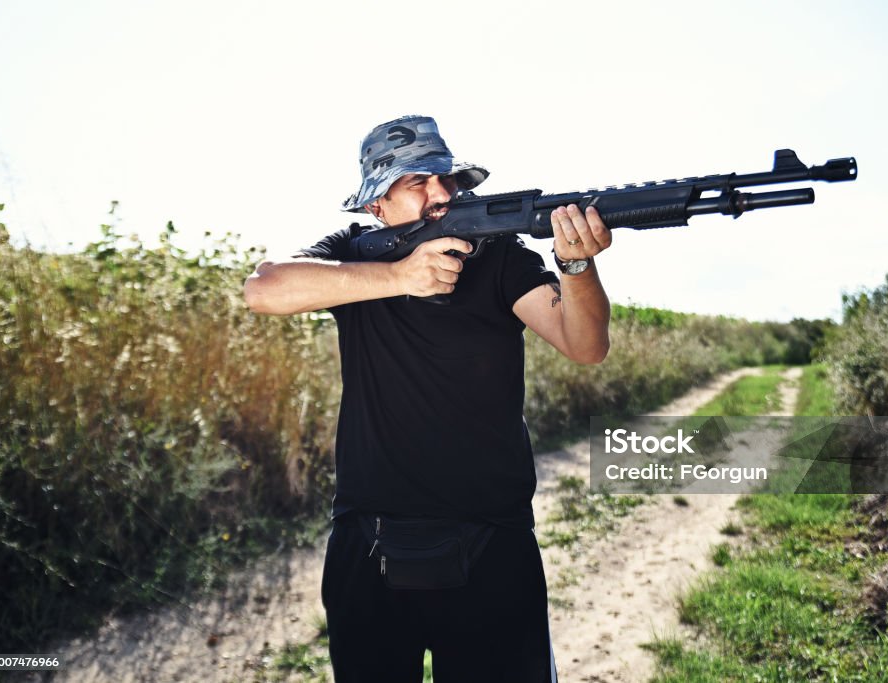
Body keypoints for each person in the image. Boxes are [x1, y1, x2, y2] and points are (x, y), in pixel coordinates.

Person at [243, 115, 612, 683]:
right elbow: (264, 290)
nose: (441, 195)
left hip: (492, 540)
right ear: (377, 208)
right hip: (369, 542)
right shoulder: (351, 253)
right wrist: (400, 276)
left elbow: (585, 346)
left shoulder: (501, 257)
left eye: (449, 180)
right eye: (416, 183)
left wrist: (578, 265)